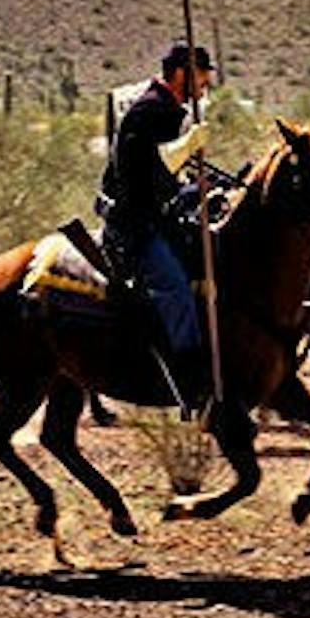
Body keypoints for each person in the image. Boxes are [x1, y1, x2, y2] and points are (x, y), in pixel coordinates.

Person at [99, 42, 214, 406]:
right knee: (175, 289)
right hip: (135, 224)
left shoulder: (165, 110)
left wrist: (194, 188)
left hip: (159, 216)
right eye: (201, 77)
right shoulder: (149, 111)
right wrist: (184, 149)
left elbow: (163, 180)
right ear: (180, 73)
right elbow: (139, 176)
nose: (205, 86)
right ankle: (189, 378)